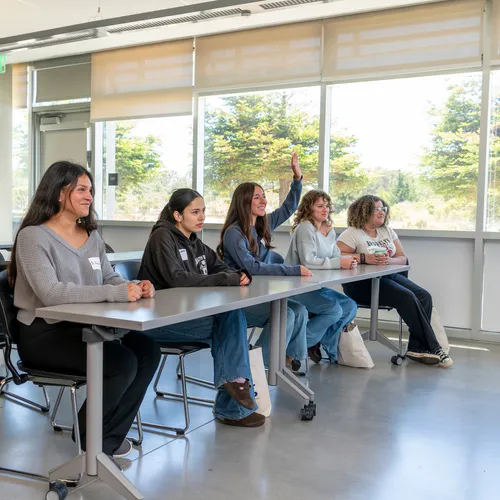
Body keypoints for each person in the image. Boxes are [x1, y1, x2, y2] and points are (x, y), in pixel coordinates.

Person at [9, 161, 162, 460]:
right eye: (81, 189)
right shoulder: (32, 237)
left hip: (86, 327)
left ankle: (103, 440)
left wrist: (135, 285)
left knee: (147, 350)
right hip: (46, 334)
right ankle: (91, 441)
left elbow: (109, 278)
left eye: (90, 190)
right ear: (57, 193)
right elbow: (51, 294)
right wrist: (115, 293)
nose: (89, 196)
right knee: (121, 363)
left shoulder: (91, 236)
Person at [138, 188, 265, 428]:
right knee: (228, 326)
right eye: (195, 212)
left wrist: (235, 275)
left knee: (231, 318)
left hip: (184, 318)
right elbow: (178, 278)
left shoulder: (193, 241)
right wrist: (227, 279)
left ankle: (235, 391)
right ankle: (233, 402)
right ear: (177, 215)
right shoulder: (162, 237)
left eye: (203, 211)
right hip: (157, 322)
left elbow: (218, 267)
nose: (202, 217)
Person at [218, 153, 343, 367]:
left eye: (264, 196)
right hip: (241, 299)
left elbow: (288, 208)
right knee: (287, 314)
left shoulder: (261, 225)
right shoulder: (233, 233)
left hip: (260, 291)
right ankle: (259, 364)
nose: (263, 200)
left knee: (300, 311)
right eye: (257, 197)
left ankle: (286, 361)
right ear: (243, 201)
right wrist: (293, 269)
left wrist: (297, 179)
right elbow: (252, 267)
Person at [336, 194, 453, 367]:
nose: (381, 212)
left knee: (424, 296)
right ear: (364, 210)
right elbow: (337, 256)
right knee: (406, 297)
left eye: (383, 208)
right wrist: (364, 258)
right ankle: (434, 347)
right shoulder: (352, 233)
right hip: (361, 284)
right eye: (377, 208)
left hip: (387, 277)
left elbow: (402, 258)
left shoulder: (387, 231)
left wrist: (387, 260)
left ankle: (416, 347)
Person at [285, 189, 358, 362]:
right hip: (297, 287)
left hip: (316, 285)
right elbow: (308, 261)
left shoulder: (328, 229)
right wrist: (338, 263)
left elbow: (334, 255)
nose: (325, 209)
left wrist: (346, 260)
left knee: (349, 306)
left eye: (326, 206)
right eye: (320, 206)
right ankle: (292, 350)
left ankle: (317, 341)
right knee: (334, 310)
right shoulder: (305, 228)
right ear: (309, 208)